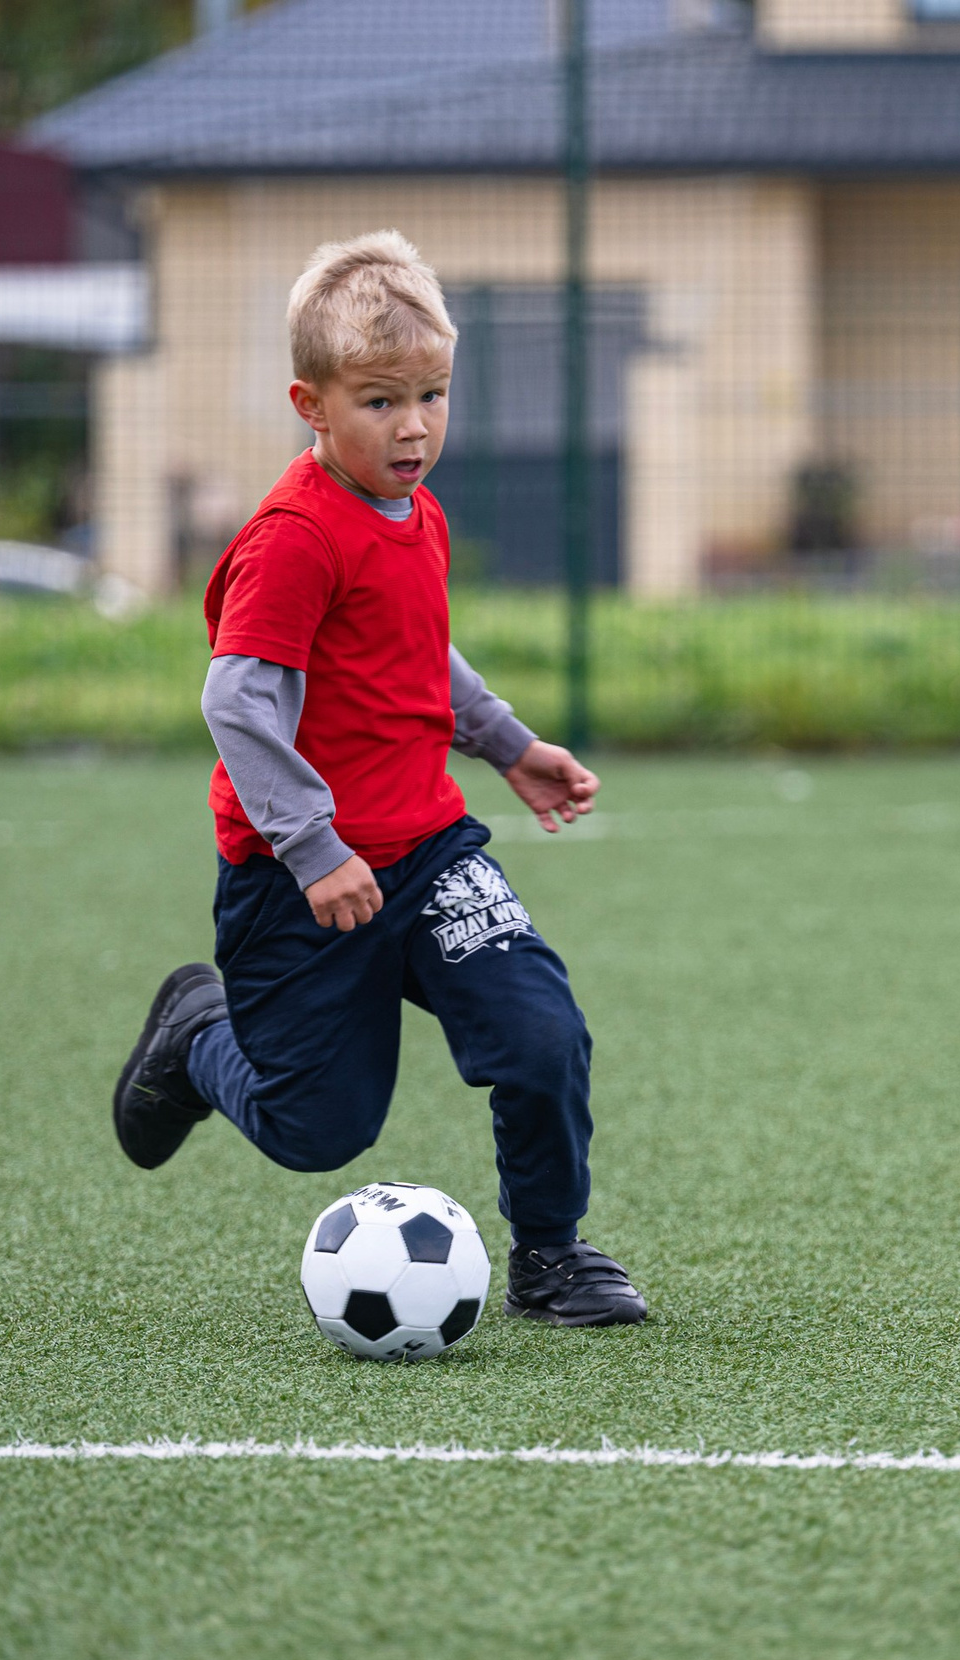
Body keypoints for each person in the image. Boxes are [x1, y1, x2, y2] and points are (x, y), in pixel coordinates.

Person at [111, 230, 645, 1329]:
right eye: (381, 402)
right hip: (299, 880)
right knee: (318, 1130)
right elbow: (237, 703)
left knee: (542, 1036)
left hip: (428, 853)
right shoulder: (294, 539)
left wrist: (507, 744)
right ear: (310, 405)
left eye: (433, 396)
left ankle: (550, 1255)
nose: (414, 427)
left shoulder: (418, 511)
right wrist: (315, 848)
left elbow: (414, 655)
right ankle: (198, 1035)